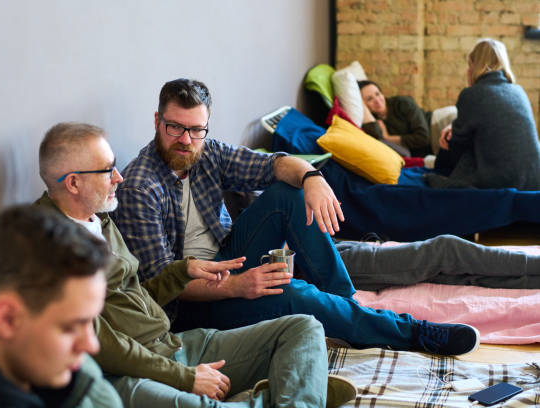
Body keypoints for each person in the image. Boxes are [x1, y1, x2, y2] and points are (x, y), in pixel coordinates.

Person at [113, 78, 480, 357]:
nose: (186, 140)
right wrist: (237, 287)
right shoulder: (140, 188)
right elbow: (161, 283)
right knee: (293, 292)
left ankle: (348, 304)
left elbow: (275, 164)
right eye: (175, 127)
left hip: (229, 256)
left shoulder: (206, 152)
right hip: (191, 304)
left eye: (196, 130)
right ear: (158, 121)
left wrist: (312, 178)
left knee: (287, 194)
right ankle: (413, 333)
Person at [36, 122, 358, 407]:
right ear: (73, 183)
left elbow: (133, 298)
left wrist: (181, 271)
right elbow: (104, 345)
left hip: (175, 345)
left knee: (304, 328)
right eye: (107, 171)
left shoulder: (99, 217)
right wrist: (185, 378)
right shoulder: (51, 249)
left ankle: (290, 390)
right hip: (135, 371)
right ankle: (295, 390)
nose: (118, 177)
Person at [0, 205, 123, 407]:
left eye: (91, 321)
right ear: (7, 319)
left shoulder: (76, 375)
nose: (92, 345)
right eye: (71, 327)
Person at [425, 38, 540, 191]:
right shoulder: (519, 91)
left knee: (447, 158)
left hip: (501, 181)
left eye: (469, 65)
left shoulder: (472, 94)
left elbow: (457, 151)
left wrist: (450, 137)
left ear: (473, 65)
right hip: (534, 179)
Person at [358, 80, 457, 158]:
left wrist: (388, 138)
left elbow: (423, 137)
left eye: (377, 94)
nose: (377, 100)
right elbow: (376, 135)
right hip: (433, 147)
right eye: (369, 99)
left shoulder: (402, 103)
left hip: (439, 123)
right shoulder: (375, 122)